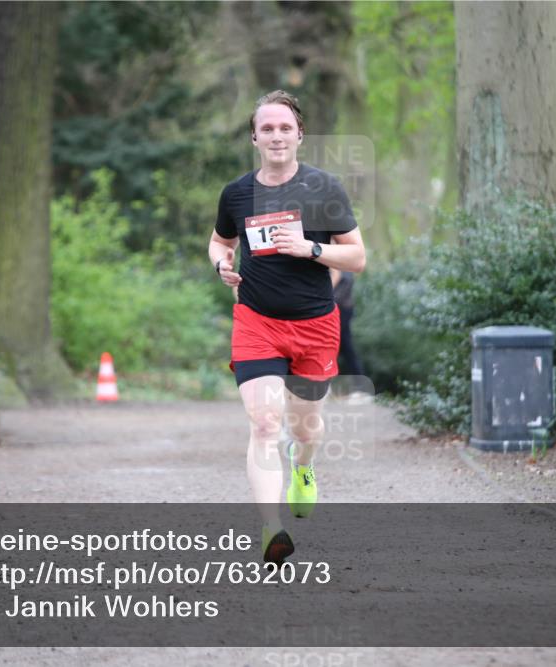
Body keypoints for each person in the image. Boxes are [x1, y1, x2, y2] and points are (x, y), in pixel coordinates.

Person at [208, 90, 366, 564]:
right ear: (254, 137)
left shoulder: (324, 188)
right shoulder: (236, 193)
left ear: (300, 135)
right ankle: (271, 528)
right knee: (263, 423)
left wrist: (310, 249)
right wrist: (222, 266)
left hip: (315, 323)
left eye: (285, 128)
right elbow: (219, 241)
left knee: (306, 426)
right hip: (256, 319)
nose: (276, 135)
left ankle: (304, 468)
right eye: (267, 128)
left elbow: (357, 256)